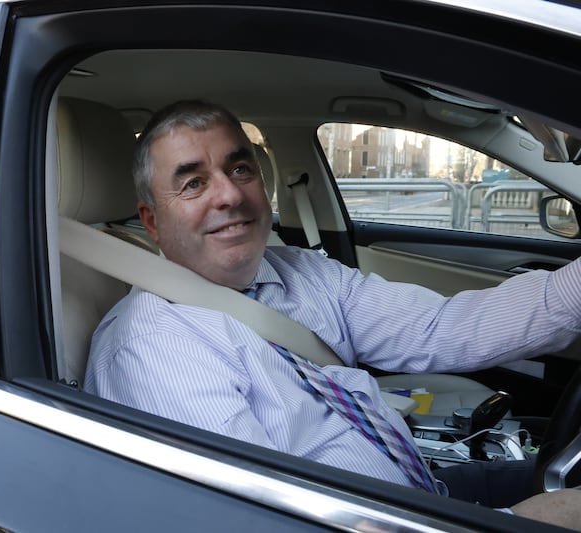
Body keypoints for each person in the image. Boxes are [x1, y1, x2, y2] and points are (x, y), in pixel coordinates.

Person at [84, 100, 581, 527]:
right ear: (151, 219)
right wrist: (522, 523)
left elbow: (439, 328)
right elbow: (255, 521)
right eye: (192, 183)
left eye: (240, 169)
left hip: (415, 492)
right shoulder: (151, 349)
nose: (230, 195)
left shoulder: (299, 272)